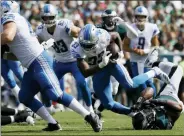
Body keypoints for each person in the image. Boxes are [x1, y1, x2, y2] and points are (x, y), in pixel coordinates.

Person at [1, 1, 102, 132]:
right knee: (24, 96)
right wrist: (4, 55)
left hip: (39, 60)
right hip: (32, 63)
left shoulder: (9, 18)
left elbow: (8, 36)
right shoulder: (15, 21)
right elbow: (20, 52)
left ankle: (90, 116)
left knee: (55, 94)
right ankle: (53, 123)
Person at [70, 23, 171, 117]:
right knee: (108, 104)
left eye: (90, 44)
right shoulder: (76, 47)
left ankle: (154, 71)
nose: (88, 48)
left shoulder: (103, 35)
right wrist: (101, 65)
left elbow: (115, 36)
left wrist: (120, 52)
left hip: (111, 64)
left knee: (130, 85)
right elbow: (85, 73)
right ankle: (133, 113)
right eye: (85, 45)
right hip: (97, 70)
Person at [36, 4, 94, 113]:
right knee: (45, 84)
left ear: (56, 16)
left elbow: (79, 32)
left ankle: (90, 109)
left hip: (74, 61)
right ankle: (48, 109)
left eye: (50, 17)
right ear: (42, 18)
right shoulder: (40, 30)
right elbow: (33, 45)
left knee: (82, 83)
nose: (48, 20)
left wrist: (77, 34)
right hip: (59, 62)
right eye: (45, 17)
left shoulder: (63, 25)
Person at [132, 56, 184, 129]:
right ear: (149, 121)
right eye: (146, 115)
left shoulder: (150, 119)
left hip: (161, 95)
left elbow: (150, 90)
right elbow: (179, 108)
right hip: (171, 95)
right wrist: (156, 101)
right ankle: (152, 64)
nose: (146, 112)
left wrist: (140, 101)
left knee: (149, 90)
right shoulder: (164, 123)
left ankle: (152, 66)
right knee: (178, 69)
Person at [123, 6, 160, 97]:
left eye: (142, 16)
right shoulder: (131, 28)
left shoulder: (151, 27)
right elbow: (124, 46)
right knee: (141, 84)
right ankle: (146, 105)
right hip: (135, 60)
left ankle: (154, 103)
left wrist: (145, 51)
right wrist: (134, 50)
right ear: (135, 17)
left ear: (146, 17)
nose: (140, 18)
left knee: (149, 83)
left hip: (147, 60)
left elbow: (156, 46)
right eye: (138, 16)